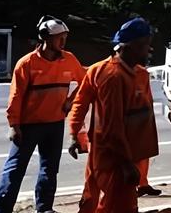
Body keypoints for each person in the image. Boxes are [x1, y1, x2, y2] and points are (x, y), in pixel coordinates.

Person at [0, 16, 85, 213]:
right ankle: (1, 209)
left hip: (55, 124)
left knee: (50, 168)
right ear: (46, 38)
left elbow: (85, 82)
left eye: (65, 37)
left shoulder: (69, 60)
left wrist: (70, 100)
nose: (63, 42)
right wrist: (14, 124)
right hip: (29, 125)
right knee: (15, 169)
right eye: (59, 38)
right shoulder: (26, 64)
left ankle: (44, 208)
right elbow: (16, 96)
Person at [69, 17, 157, 213]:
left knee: (103, 199)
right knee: (114, 204)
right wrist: (75, 134)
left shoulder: (140, 74)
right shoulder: (112, 77)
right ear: (130, 46)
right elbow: (111, 125)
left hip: (123, 153)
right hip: (113, 156)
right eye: (144, 45)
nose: (148, 50)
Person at [135, 62, 161, 197]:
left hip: (142, 117)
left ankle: (142, 183)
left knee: (144, 153)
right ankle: (133, 185)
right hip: (129, 119)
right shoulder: (118, 72)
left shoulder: (143, 73)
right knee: (131, 155)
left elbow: (147, 95)